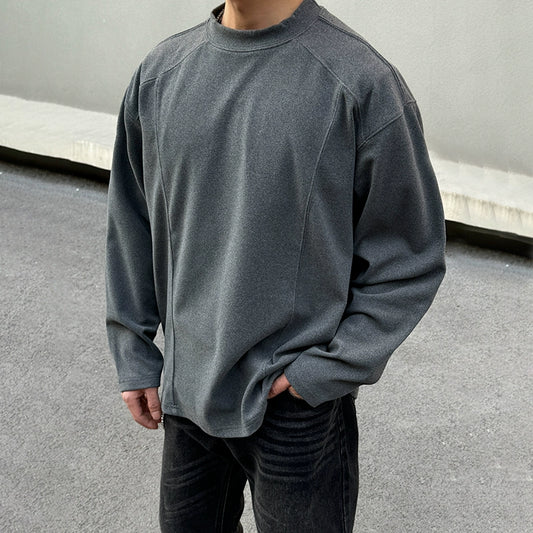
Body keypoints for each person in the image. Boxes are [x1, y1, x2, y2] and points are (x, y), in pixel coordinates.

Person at [105, 0, 446, 531]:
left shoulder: (360, 82)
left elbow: (409, 257)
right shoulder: (161, 74)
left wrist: (325, 370)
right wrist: (133, 350)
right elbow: (132, 223)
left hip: (295, 410)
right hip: (188, 394)